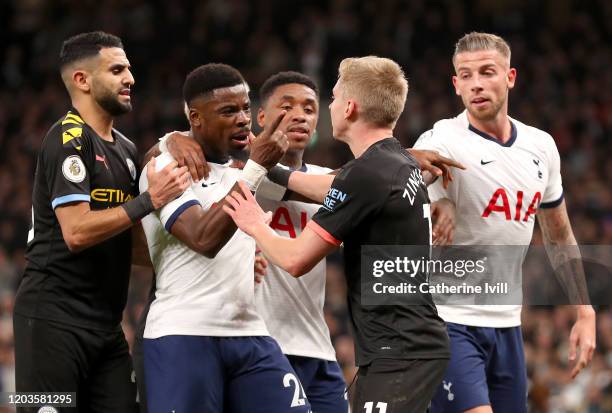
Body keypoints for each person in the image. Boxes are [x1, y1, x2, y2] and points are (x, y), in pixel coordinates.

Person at [224, 56, 450, 413]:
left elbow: (296, 259)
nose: (327, 107)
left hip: (398, 348)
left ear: (349, 107)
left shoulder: (367, 174)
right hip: (403, 345)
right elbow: (322, 186)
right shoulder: (397, 162)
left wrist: (253, 222)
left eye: (330, 98)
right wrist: (260, 162)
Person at [413, 32, 596, 413]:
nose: (476, 83)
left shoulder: (541, 146)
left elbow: (559, 234)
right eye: (465, 75)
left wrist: (584, 310)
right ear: (455, 85)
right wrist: (439, 200)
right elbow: (409, 168)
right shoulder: (445, 137)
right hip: (447, 320)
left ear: (510, 77)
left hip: (507, 324)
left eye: (487, 72)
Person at [13, 31, 190, 412]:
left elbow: (131, 243)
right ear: (82, 80)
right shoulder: (66, 138)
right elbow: (76, 232)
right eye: (117, 70)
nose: (131, 78)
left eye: (128, 69)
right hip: (49, 323)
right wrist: (149, 199)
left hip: (106, 328)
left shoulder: (126, 150)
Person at [139, 63, 312, 413]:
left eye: (246, 108)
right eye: (228, 111)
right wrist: (254, 169)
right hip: (185, 333)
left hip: (249, 333)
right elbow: (203, 238)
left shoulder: (245, 170)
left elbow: (327, 187)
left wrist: (397, 159)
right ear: (195, 118)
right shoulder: (165, 168)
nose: (243, 119)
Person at [254, 71, 348, 413]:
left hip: (317, 346)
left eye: (309, 109)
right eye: (287, 106)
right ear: (261, 117)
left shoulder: (326, 180)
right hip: (261, 343)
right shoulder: (240, 174)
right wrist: (173, 138)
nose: (300, 115)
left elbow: (375, 177)